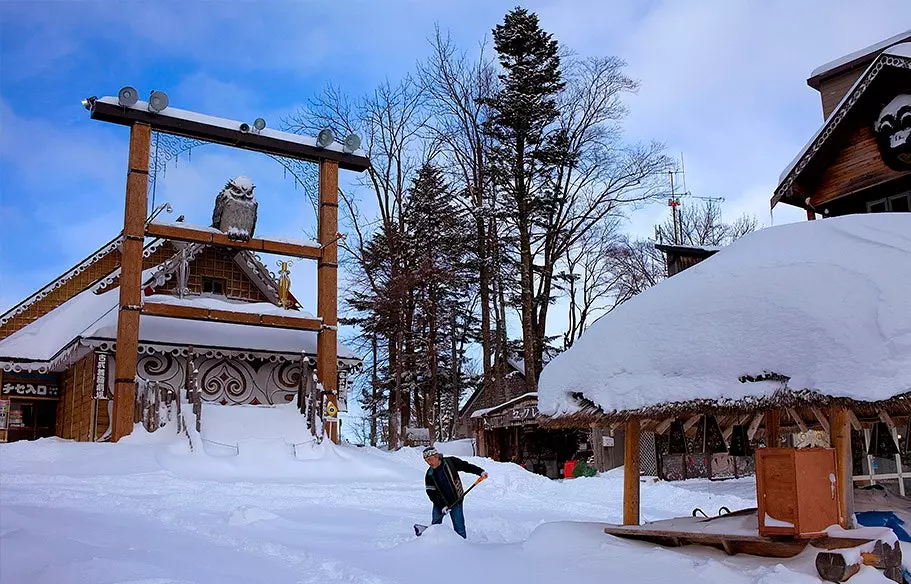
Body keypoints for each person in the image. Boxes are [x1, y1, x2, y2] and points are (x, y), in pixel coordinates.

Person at [422, 446, 487, 539]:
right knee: (435, 524)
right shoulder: (430, 474)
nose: (429, 463)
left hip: (456, 499)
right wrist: (442, 506)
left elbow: (466, 466)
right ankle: (432, 541)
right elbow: (431, 493)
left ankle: (462, 545)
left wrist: (480, 472)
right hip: (440, 502)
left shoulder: (450, 462)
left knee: (459, 527)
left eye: (430, 459)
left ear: (436, 456)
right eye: (426, 461)